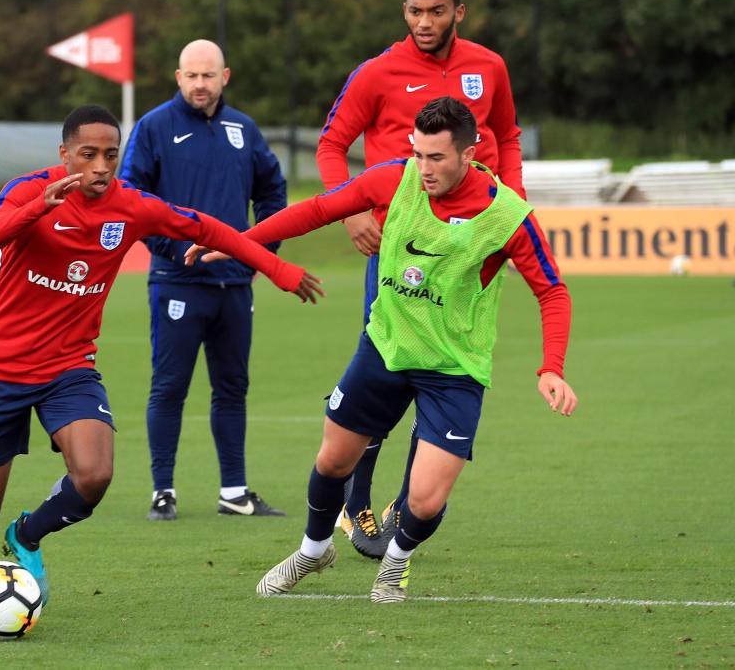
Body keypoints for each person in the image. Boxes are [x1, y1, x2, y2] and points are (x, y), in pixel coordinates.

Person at [186, 97, 576, 603]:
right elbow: (317, 210)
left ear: (468, 151)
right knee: (332, 462)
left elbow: (552, 290)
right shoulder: (395, 178)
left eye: (436, 158)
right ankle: (314, 549)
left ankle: (395, 562)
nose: (424, 168)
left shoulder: (507, 216)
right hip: (385, 348)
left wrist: (552, 367)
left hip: (453, 369)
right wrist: (241, 243)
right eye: (418, 154)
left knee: (425, 498)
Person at [0, 104, 322, 610]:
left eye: (111, 155)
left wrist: (277, 270)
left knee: (94, 475)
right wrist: (39, 206)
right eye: (88, 155)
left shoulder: (131, 206)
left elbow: (211, 229)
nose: (101, 167)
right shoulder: (27, 191)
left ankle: (26, 535)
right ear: (64, 154)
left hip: (69, 368)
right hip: (0, 370)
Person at [315, 0, 526, 559]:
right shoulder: (377, 73)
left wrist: (512, 208)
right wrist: (349, 211)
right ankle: (356, 503)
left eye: (436, 11)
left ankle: (408, 501)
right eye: (414, 11)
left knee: (448, 367)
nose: (425, 22)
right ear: (404, 12)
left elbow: (506, 138)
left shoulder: (489, 67)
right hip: (399, 250)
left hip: (467, 256)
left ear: (459, 11)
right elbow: (331, 145)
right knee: (386, 366)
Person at [119, 39, 290, 521]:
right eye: (191, 75)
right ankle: (163, 491)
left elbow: (272, 190)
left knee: (233, 387)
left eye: (208, 75)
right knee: (169, 387)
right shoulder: (154, 127)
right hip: (177, 282)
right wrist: (176, 252)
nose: (200, 84)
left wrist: (262, 249)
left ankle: (233, 493)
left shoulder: (243, 128)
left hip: (235, 285)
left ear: (225, 77)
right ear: (178, 78)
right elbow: (134, 201)